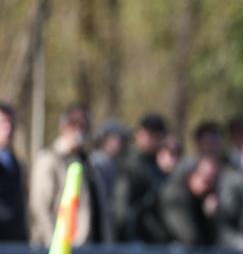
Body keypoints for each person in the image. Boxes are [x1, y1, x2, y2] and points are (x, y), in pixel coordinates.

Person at [29, 104, 112, 246]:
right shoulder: (49, 159)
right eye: (73, 124)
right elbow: (39, 207)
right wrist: (54, 243)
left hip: (88, 248)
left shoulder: (88, 162)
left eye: (84, 125)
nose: (79, 130)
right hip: (59, 250)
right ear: (63, 126)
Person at [112, 113, 168, 241]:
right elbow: (122, 208)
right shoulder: (128, 164)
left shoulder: (159, 163)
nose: (153, 140)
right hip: (134, 238)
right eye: (149, 135)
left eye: (157, 136)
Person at [0, 103, 28, 242]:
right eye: (3, 123)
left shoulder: (15, 163)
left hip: (15, 241)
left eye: (11, 123)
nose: (8, 129)